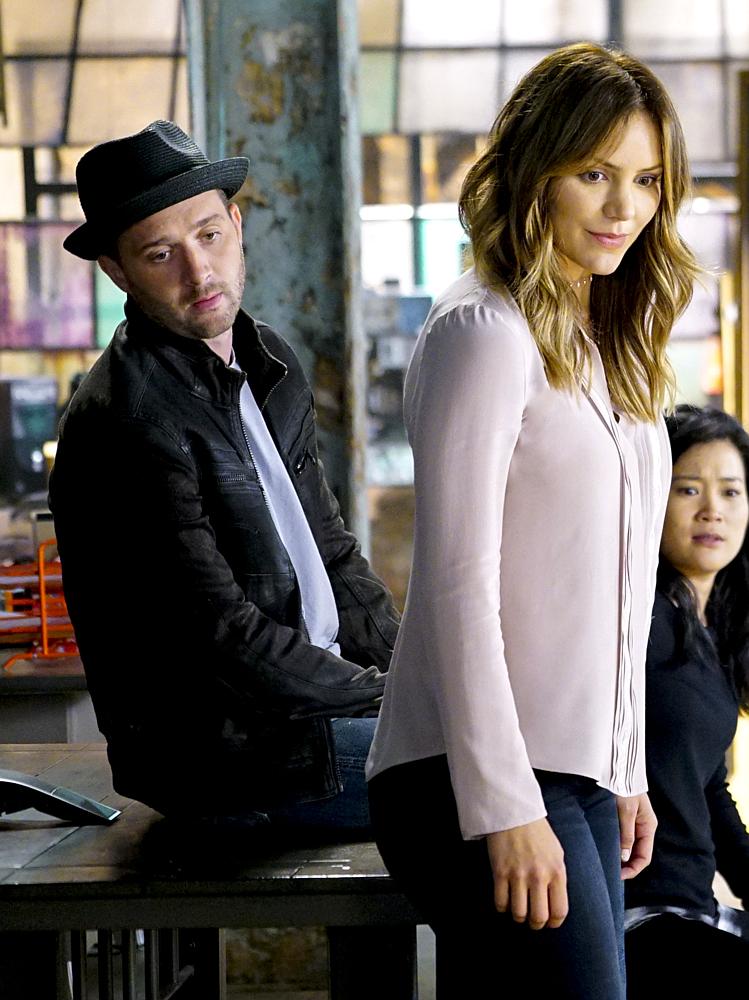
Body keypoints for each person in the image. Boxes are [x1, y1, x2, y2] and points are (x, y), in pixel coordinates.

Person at [366, 42, 701, 999]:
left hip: (573, 771)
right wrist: (502, 806)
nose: (622, 206)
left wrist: (624, 766)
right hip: (471, 773)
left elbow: (618, 583)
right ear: (532, 172)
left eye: (645, 180)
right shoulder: (482, 332)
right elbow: (455, 586)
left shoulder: (606, 344)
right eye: (592, 173)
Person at [49, 120, 400, 834]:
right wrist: (386, 695)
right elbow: (221, 635)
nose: (199, 272)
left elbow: (332, 555)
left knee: (537, 748)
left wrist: (418, 673)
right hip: (230, 758)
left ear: (236, 226)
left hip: (316, 718)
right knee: (512, 782)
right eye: (160, 254)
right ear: (117, 271)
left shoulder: (267, 360)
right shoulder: (127, 420)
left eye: (208, 236)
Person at [624, 404, 749, 997]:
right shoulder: (640, 620)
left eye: (730, 491)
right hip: (639, 912)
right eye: (689, 489)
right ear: (655, 496)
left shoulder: (707, 629)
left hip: (691, 909)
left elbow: (706, 787)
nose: (712, 510)